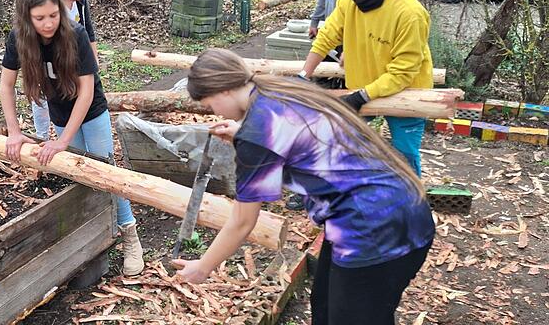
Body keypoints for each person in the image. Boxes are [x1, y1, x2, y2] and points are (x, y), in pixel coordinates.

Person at [173, 48, 434, 325]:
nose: (211, 111)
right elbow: (291, 137)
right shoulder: (283, 87)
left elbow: (242, 221)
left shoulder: (256, 135)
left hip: (376, 228)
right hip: (392, 207)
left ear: (223, 90)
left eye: (209, 104)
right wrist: (241, 134)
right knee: (325, 307)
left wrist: (203, 267)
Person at [0, 0, 144, 276]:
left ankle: (130, 235)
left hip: (91, 110)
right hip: (59, 111)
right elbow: (6, 84)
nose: (48, 23)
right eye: (39, 18)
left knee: (106, 169)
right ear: (26, 17)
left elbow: (87, 90)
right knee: (79, 174)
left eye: (53, 15)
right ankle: (94, 234)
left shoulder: (74, 33)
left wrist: (62, 141)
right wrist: (14, 131)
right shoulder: (17, 38)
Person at [300, 0, 433, 177]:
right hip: (363, 85)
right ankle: (328, 191)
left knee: (404, 153)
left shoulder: (409, 14)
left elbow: (402, 73)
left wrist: (361, 96)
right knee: (340, 140)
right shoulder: (347, 1)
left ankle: (410, 203)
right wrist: (303, 76)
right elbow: (326, 37)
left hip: (407, 91)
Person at [31, 0, 100, 138]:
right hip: (49, 64)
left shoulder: (80, 0)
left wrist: (94, 63)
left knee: (80, 96)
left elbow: (88, 31)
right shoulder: (46, 2)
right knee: (45, 100)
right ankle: (42, 136)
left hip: (75, 60)